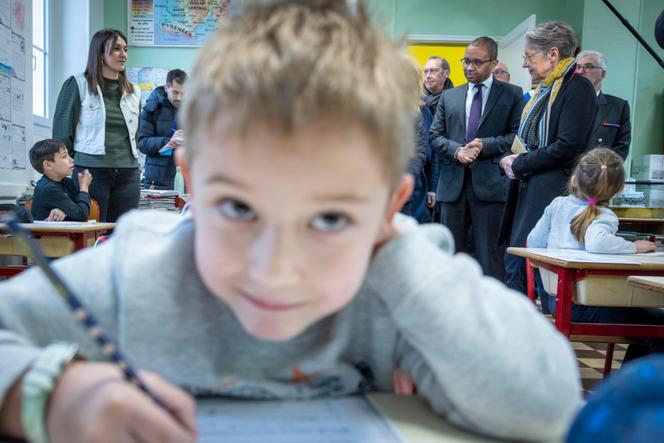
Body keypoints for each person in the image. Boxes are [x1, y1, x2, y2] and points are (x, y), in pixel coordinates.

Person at [0, 2, 582, 442]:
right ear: (194, 184)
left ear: (384, 212)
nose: (276, 269)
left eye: (329, 217)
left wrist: (397, 257)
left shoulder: (397, 274)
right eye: (239, 209)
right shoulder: (139, 271)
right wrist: (59, 395)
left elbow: (549, 399)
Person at [527, 147, 662, 359]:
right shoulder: (604, 215)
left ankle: (626, 384)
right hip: (587, 305)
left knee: (650, 323)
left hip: (555, 301)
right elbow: (597, 243)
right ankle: (630, 387)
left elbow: (534, 241)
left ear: (574, 180)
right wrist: (635, 246)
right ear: (617, 191)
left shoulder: (557, 205)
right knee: (658, 325)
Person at [498, 21, 598, 294]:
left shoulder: (577, 88)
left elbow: (568, 146)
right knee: (515, 267)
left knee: (528, 274)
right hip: (531, 189)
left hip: (551, 192)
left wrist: (518, 163)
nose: (524, 65)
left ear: (552, 54)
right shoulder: (544, 91)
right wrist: (512, 158)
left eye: (529, 56)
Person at [429, 36, 524, 280]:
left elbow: (515, 138)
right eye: (466, 61)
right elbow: (435, 136)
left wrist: (486, 145)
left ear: (493, 64)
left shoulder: (512, 94)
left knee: (491, 259)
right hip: (452, 189)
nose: (469, 67)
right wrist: (457, 151)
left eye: (477, 62)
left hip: (491, 188)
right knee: (450, 258)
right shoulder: (450, 97)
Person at [52, 29, 141, 223]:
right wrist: (68, 169)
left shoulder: (134, 91)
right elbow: (61, 136)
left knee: (122, 236)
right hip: (90, 172)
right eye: (116, 49)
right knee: (92, 234)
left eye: (125, 49)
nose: (123, 54)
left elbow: (136, 134)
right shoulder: (78, 84)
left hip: (129, 173)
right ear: (100, 53)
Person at [576, 50, 631, 160]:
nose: (581, 71)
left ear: (602, 74)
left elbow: (621, 148)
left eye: (588, 66)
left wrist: (599, 169)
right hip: (565, 173)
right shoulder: (563, 103)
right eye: (578, 67)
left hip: (600, 172)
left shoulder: (618, 107)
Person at [138, 69, 188, 190]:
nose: (180, 98)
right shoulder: (152, 108)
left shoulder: (193, 109)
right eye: (175, 92)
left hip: (186, 178)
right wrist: (167, 142)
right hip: (157, 180)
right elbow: (142, 143)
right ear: (166, 88)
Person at [29, 139, 93, 222]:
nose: (71, 160)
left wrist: (65, 212)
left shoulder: (67, 182)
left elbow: (79, 207)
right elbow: (82, 214)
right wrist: (84, 187)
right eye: (64, 156)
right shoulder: (48, 188)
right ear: (48, 165)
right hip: (47, 234)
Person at [422, 55, 453, 213]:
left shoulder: (456, 99)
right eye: (426, 71)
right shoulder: (419, 103)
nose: (428, 75)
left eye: (433, 71)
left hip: (449, 171)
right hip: (424, 172)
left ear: (446, 73)